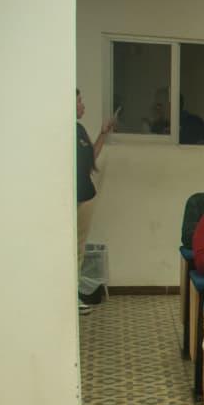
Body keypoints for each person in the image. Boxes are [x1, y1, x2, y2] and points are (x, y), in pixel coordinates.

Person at [76, 88, 116, 312]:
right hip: (70, 199)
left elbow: (90, 157)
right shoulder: (63, 132)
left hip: (86, 196)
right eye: (79, 101)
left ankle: (74, 296)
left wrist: (103, 133)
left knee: (78, 248)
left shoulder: (79, 130)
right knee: (68, 248)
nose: (83, 106)